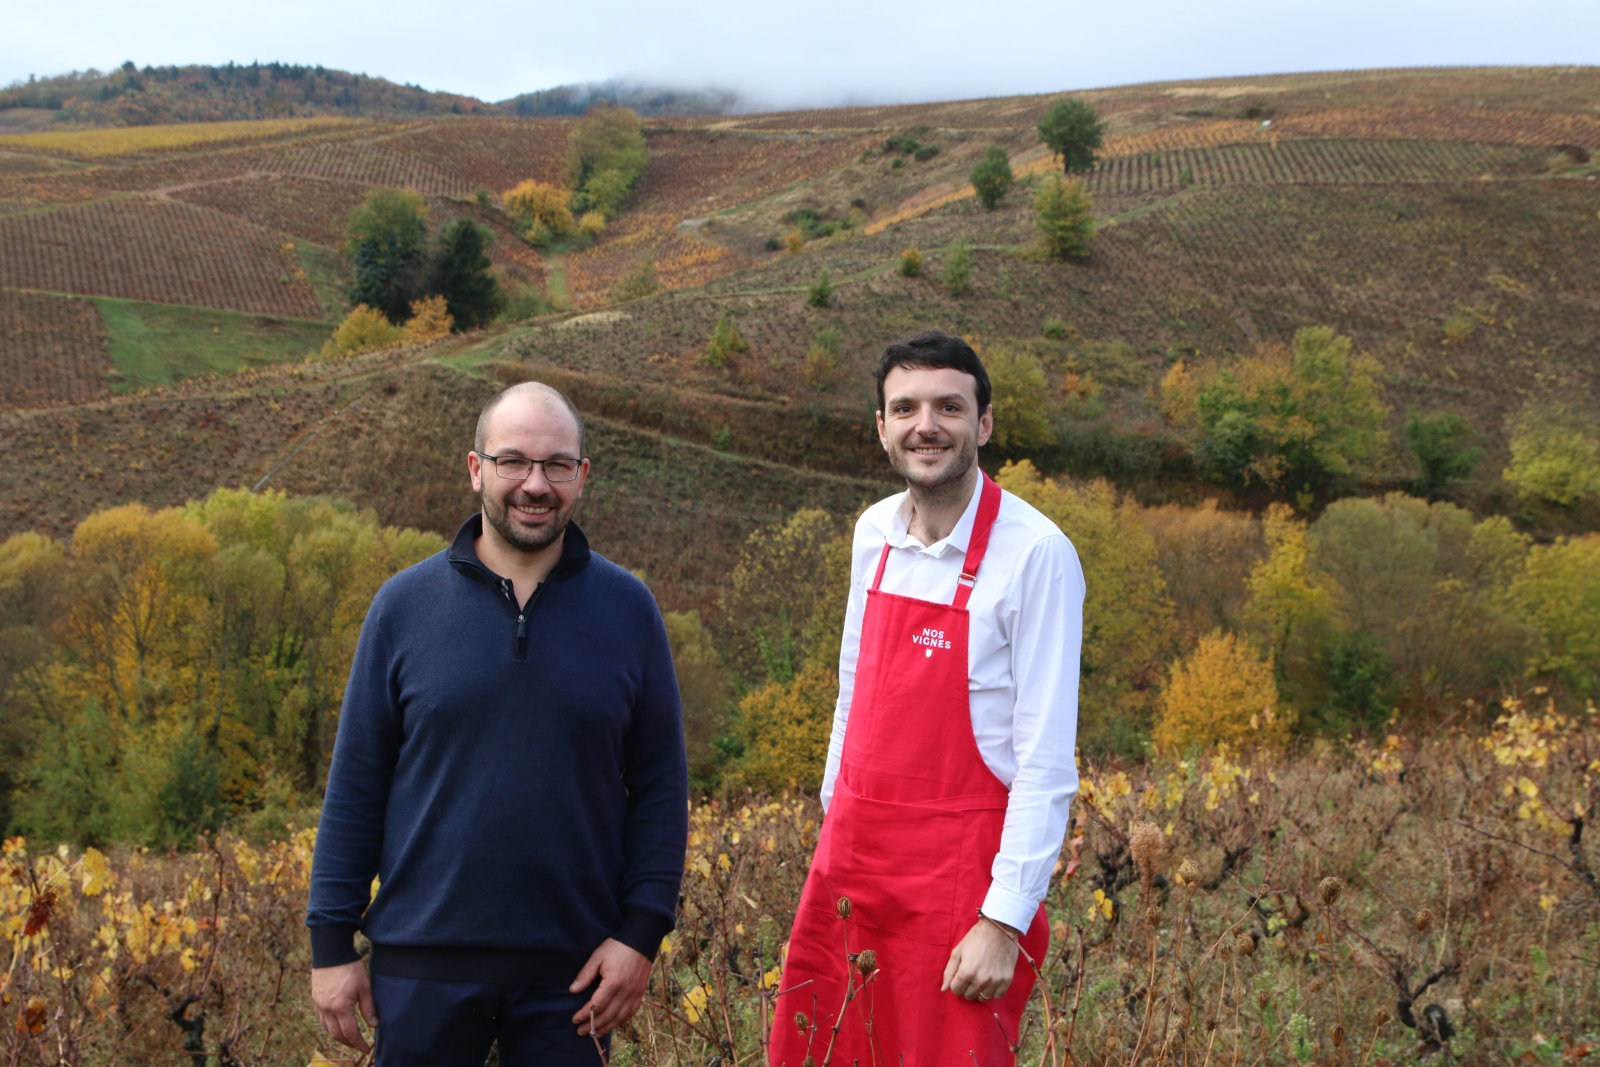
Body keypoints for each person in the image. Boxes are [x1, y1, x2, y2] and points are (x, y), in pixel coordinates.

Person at [307, 381, 688, 1066]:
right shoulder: (402, 607)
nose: (535, 484)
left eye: (557, 465)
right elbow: (357, 783)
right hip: (420, 969)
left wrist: (639, 937)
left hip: (575, 977)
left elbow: (661, 787)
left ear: (582, 476)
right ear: (476, 469)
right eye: (513, 461)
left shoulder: (630, 610)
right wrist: (331, 944)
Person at [770, 331, 1083, 1065]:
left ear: (985, 423)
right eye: (906, 408)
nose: (926, 426)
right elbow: (852, 693)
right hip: (855, 867)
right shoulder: (872, 533)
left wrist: (1003, 921)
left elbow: (1045, 762)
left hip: (960, 886)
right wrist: (833, 829)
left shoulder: (1037, 554)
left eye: (949, 406)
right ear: (882, 427)